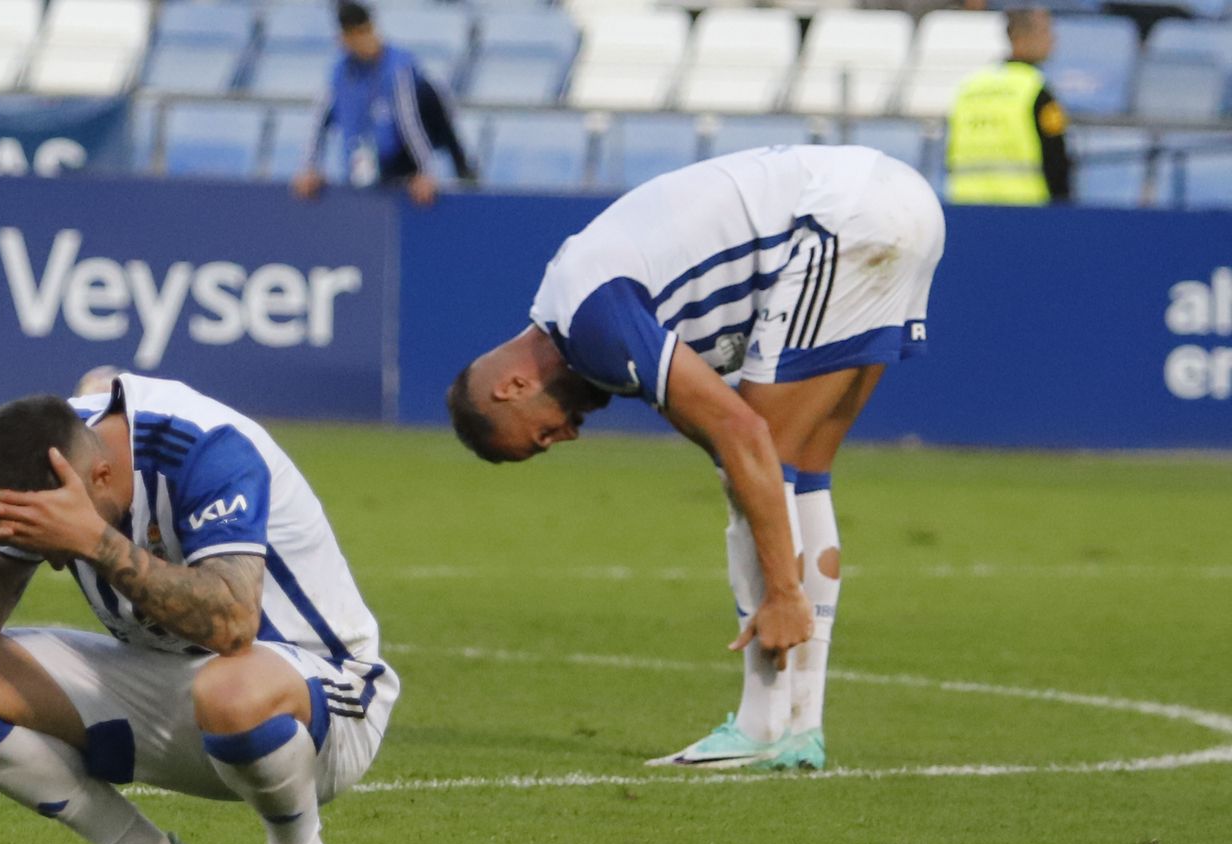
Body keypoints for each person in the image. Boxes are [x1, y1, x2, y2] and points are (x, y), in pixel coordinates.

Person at [446, 145, 945, 771]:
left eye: (541, 437)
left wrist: (783, 591)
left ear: (512, 387)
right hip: (898, 198)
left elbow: (741, 435)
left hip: (840, 219)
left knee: (756, 465)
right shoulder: (578, 306)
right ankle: (799, 728)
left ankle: (763, 725)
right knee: (806, 470)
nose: (565, 438)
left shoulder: (590, 321)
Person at [0, 373, 397, 844]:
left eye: (56, 544)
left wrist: (94, 540)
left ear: (103, 476)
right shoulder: (43, 458)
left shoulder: (206, 447)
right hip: (176, 687)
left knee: (229, 687)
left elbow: (233, 625)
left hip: (319, 702)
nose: (58, 567)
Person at [291, 1, 474, 207]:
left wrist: (425, 172)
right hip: (365, 160)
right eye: (354, 36)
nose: (363, 41)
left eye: (365, 32)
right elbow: (318, 121)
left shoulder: (398, 66)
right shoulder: (340, 72)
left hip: (401, 156)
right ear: (344, 39)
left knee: (429, 90)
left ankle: (465, 170)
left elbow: (409, 120)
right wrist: (308, 167)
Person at [947, 7, 1071, 205]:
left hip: (967, 208)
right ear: (1020, 38)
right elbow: (1056, 157)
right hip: (1024, 211)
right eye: (1045, 32)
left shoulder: (970, 88)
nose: (1053, 40)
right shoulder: (1036, 90)